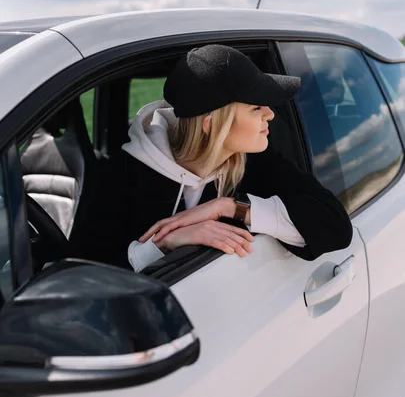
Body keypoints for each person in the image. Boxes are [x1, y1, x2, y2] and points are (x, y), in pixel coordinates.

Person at [115, 44, 353, 273]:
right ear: (213, 125)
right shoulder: (125, 176)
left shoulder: (254, 161)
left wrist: (228, 207)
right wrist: (167, 242)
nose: (270, 114)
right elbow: (99, 271)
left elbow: (336, 228)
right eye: (256, 108)